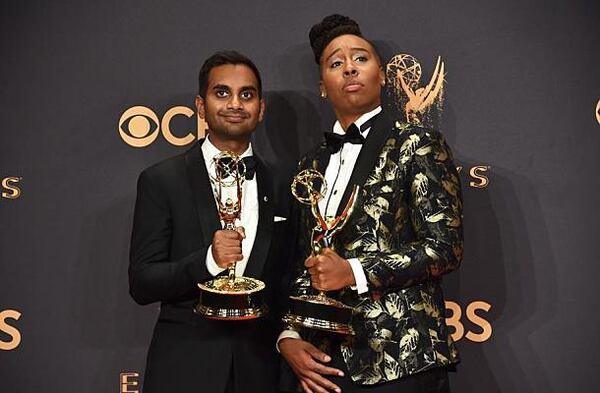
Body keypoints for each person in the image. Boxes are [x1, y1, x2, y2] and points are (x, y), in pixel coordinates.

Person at [279, 15, 463, 393]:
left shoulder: (417, 143)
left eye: (360, 58)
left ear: (380, 74)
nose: (349, 67)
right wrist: (288, 334)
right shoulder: (309, 166)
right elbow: (302, 259)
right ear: (322, 87)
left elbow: (444, 247)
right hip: (324, 366)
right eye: (335, 63)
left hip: (402, 362)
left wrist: (355, 271)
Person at [129, 50, 291, 393]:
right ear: (201, 107)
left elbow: (287, 281)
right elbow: (142, 282)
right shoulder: (163, 180)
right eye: (222, 93)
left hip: (261, 370)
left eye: (246, 95)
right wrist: (209, 261)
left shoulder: (283, 184)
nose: (235, 103)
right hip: (184, 367)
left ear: (261, 109)